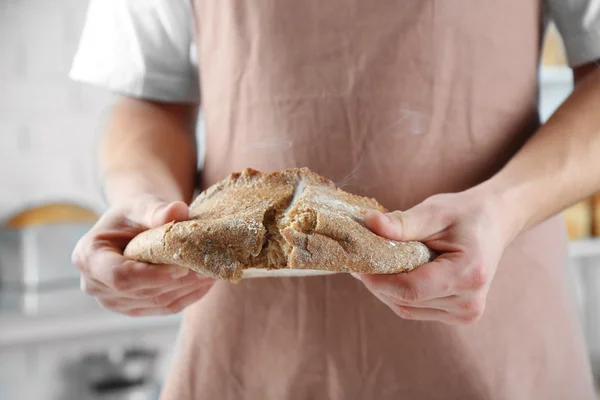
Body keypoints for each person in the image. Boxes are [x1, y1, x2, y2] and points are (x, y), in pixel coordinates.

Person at [70, 0, 600, 398]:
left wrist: (502, 209)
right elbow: (149, 98)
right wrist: (144, 206)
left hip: (491, 326)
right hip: (248, 346)